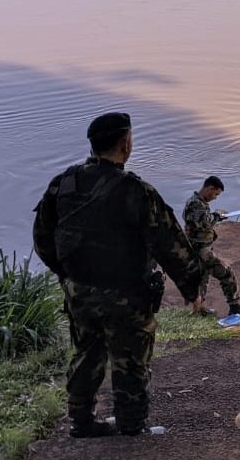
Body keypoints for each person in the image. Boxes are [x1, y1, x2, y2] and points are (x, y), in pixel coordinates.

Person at [33, 112, 203, 438]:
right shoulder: (136, 192)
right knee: (130, 362)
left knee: (86, 354)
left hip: (80, 292)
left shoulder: (63, 184)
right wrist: (191, 286)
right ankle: (131, 426)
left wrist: (69, 276)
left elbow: (43, 238)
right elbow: (171, 245)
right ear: (126, 144)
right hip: (127, 294)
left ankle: (81, 423)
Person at [182, 176, 240, 318]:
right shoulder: (196, 204)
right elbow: (204, 223)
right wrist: (216, 215)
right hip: (201, 250)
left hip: (199, 248)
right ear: (209, 188)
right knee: (226, 273)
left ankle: (199, 310)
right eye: (216, 194)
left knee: (202, 279)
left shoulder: (197, 202)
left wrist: (215, 216)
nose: (215, 197)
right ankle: (234, 306)